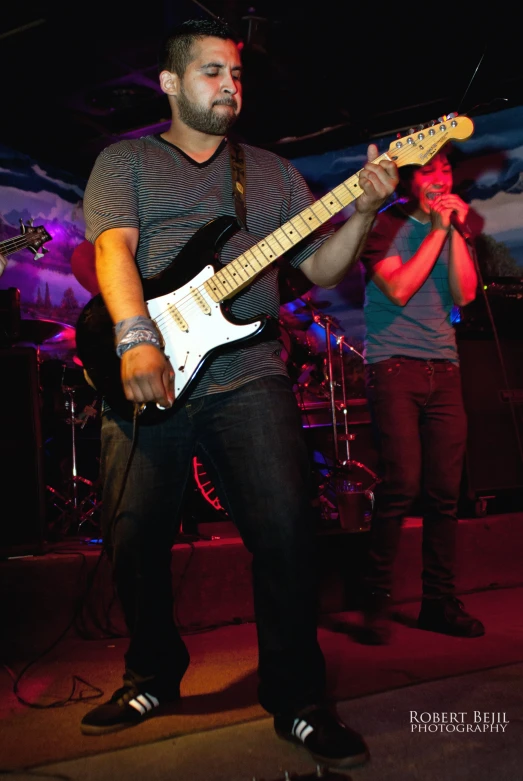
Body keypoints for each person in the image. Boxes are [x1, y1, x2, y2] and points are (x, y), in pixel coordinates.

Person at [78, 18, 398, 769]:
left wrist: (362, 211)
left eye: (236, 74)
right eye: (212, 72)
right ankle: (151, 674)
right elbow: (112, 249)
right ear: (170, 83)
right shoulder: (124, 160)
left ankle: (297, 698)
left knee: (286, 532)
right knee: (134, 537)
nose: (229, 86)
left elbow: (319, 271)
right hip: (147, 359)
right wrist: (135, 338)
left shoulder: (273, 173)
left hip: (248, 368)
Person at [358, 148, 485, 645]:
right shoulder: (383, 226)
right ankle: (374, 597)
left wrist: (450, 229)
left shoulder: (452, 225)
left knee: (443, 493)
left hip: (444, 369)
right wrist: (435, 230)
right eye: (428, 171)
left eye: (446, 169)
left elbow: (465, 294)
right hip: (393, 367)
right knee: (401, 485)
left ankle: (439, 601)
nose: (439, 178)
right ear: (409, 179)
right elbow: (399, 288)